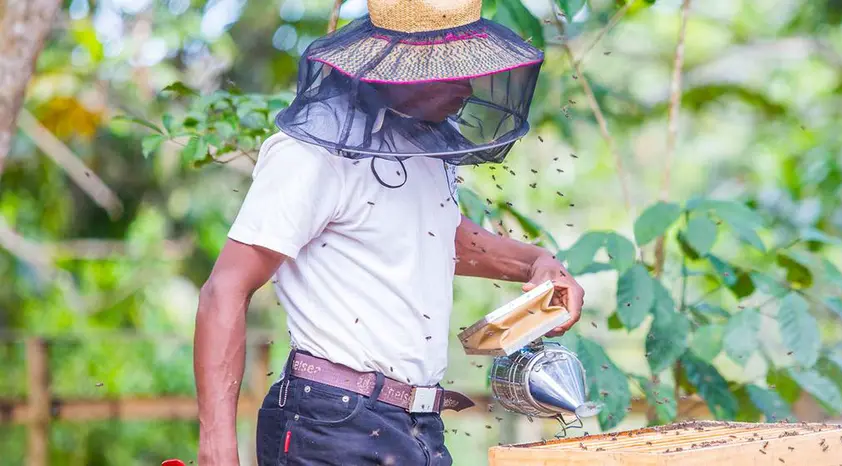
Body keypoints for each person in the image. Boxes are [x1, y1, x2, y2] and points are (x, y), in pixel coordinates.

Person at [192, 1, 580, 464]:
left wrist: (535, 263)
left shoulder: (427, 144)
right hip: (329, 425)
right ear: (400, 62)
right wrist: (217, 450)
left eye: (471, 67)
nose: (470, 85)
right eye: (451, 68)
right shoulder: (310, 152)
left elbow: (442, 235)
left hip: (419, 425)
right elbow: (225, 289)